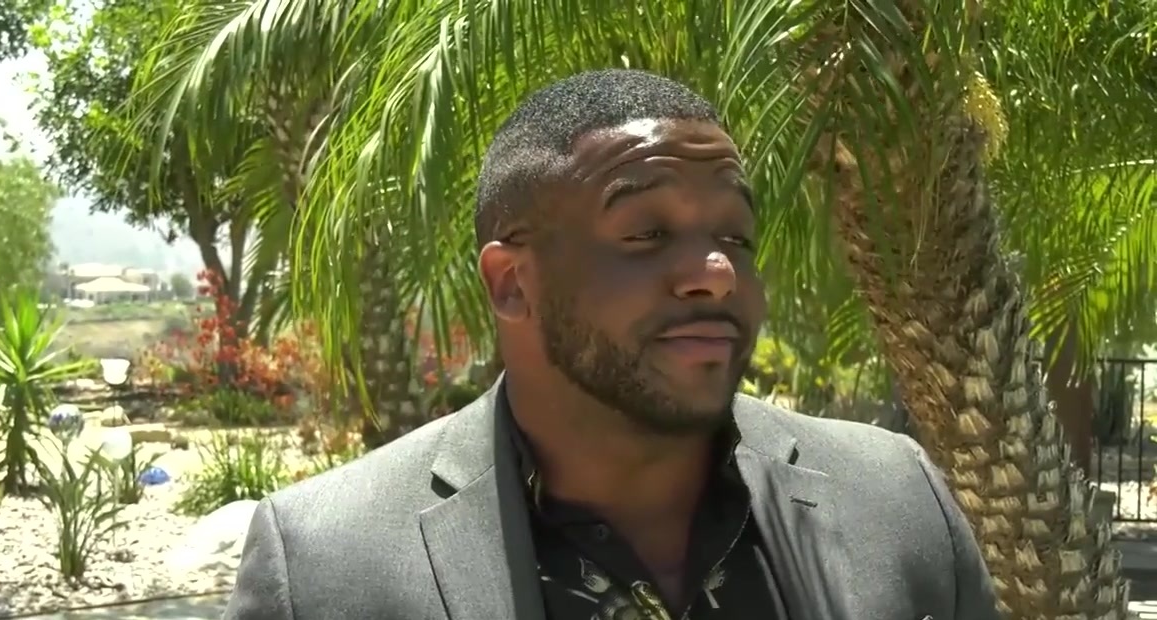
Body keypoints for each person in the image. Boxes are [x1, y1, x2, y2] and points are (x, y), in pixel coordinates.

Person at [222, 69, 1001, 620]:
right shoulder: (325, 565)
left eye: (736, 236)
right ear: (512, 282)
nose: (716, 273)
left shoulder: (898, 500)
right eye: (646, 234)